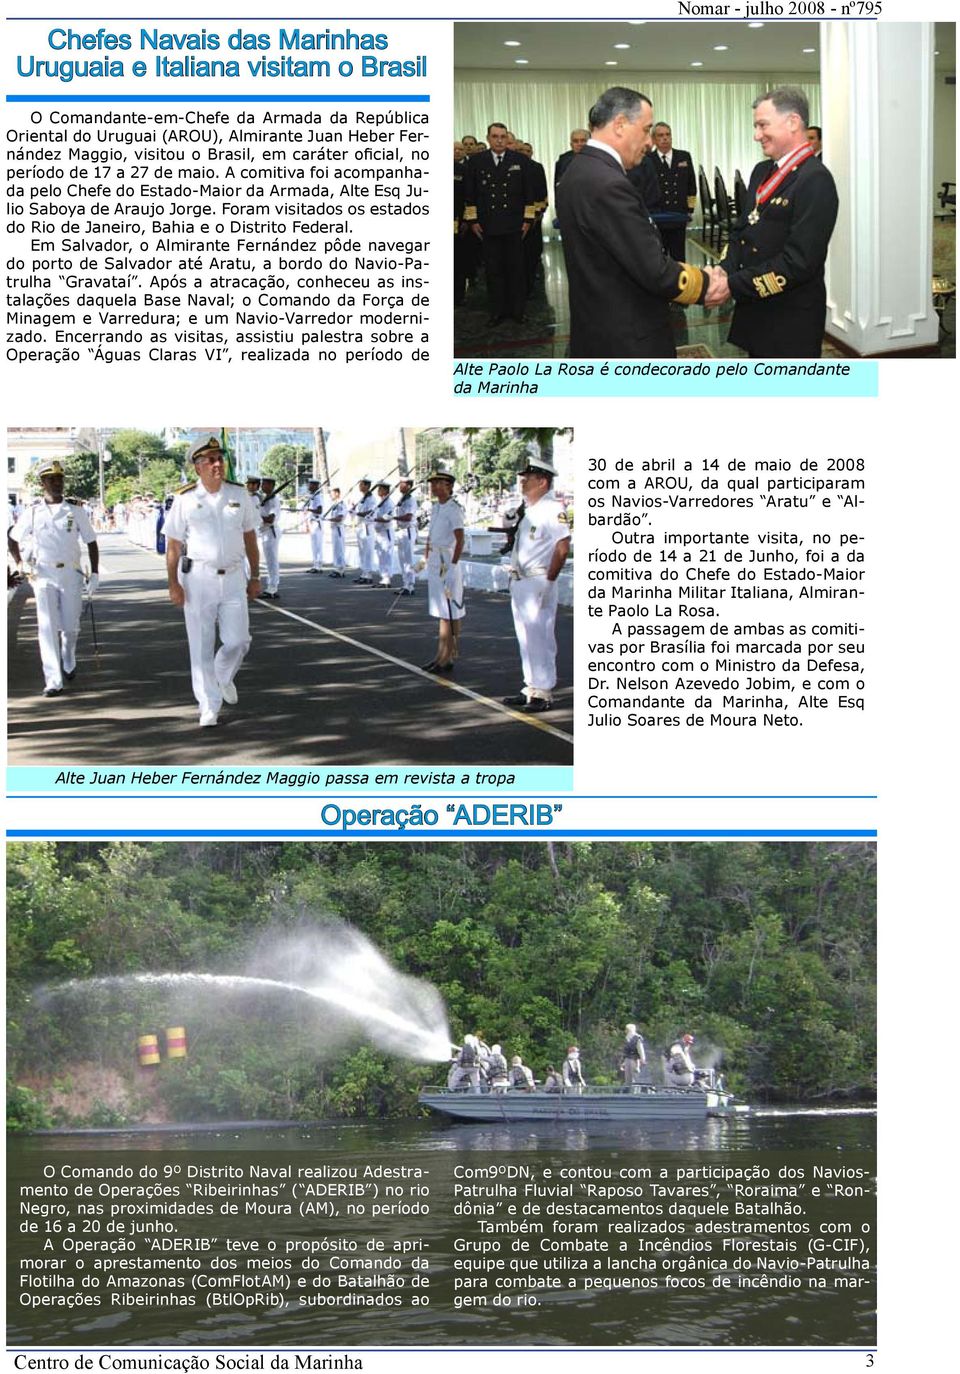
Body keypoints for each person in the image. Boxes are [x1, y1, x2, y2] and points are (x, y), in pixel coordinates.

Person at [556, 87, 711, 358]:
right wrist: (707, 284)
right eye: (646, 129)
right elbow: (653, 269)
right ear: (620, 125)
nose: (650, 141)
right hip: (627, 338)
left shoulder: (581, 170)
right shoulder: (609, 183)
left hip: (597, 325)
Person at [708, 87, 839, 358]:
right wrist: (724, 268)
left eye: (762, 125)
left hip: (789, 317)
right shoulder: (761, 171)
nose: (756, 135)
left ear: (792, 122)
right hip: (755, 307)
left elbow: (798, 263)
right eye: (756, 126)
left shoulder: (815, 179)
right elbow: (741, 231)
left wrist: (732, 285)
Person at [163, 435, 260, 727]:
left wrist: (255, 576)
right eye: (210, 460)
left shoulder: (239, 495)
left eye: (220, 459)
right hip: (198, 578)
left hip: (232, 577)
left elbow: (250, 538)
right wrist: (173, 583)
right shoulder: (185, 499)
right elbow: (173, 544)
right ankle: (208, 704)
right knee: (201, 644)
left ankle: (222, 674)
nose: (218, 464)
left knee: (239, 640)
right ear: (197, 467)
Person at [9, 460, 100, 697]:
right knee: (47, 627)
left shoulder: (75, 510)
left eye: (60, 479)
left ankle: (68, 655)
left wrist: (96, 573)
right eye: (51, 479)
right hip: (43, 574)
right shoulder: (32, 512)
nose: (57, 483)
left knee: (70, 628)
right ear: (43, 483)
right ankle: (53, 679)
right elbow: (13, 538)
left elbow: (91, 542)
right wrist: (20, 563)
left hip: (70, 573)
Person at [502, 455, 571, 714]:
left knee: (540, 636)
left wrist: (549, 580)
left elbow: (562, 548)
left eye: (527, 478)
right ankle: (531, 687)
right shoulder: (530, 510)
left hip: (538, 579)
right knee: (526, 637)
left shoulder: (553, 509)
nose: (522, 482)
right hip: (520, 579)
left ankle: (544, 691)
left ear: (542, 481)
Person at [462, 122, 537, 325]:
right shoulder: (476, 161)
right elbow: (470, 193)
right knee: (493, 271)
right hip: (488, 225)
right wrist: (473, 220)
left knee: (516, 270)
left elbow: (529, 193)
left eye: (503, 136)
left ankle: (518, 311)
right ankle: (497, 311)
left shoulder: (520, 160)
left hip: (514, 225)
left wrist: (528, 220)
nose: (499, 140)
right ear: (488, 138)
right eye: (495, 136)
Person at [422, 467, 464, 674]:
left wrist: (453, 566)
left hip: (446, 561)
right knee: (441, 611)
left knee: (448, 612)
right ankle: (441, 655)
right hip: (435, 560)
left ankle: (447, 656)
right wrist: (425, 555)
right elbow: (431, 534)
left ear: (448, 487)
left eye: (438, 483)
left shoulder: (453, 508)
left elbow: (460, 539)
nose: (434, 486)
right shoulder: (436, 508)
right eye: (432, 483)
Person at [644, 122, 697, 262]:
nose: (665, 138)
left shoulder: (683, 156)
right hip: (657, 215)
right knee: (659, 256)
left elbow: (692, 185)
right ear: (654, 139)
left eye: (668, 135)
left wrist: (690, 209)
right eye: (660, 135)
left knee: (679, 256)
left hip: (678, 214)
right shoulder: (647, 159)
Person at [393, 478, 419, 596]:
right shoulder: (402, 499)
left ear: (408, 486)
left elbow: (408, 517)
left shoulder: (411, 500)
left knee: (408, 560)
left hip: (408, 530)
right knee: (402, 560)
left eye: (402, 484)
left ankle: (410, 585)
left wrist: (393, 518)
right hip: (401, 531)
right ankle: (405, 584)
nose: (400, 485)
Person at [258, 476, 282, 599]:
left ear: (271, 485)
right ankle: (271, 586)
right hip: (265, 532)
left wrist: (257, 515)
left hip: (270, 532)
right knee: (269, 561)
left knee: (272, 561)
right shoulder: (266, 498)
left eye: (265, 484)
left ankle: (273, 588)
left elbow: (270, 519)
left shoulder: (274, 500)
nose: (262, 486)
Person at [352, 477, 377, 585]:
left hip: (367, 527)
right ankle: (364, 573)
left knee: (368, 552)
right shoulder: (363, 498)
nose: (360, 486)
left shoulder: (371, 498)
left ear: (367, 486)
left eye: (362, 484)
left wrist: (357, 513)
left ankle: (369, 575)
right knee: (362, 551)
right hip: (361, 526)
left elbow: (370, 512)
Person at [373, 480, 396, 588]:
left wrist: (374, 519)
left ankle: (387, 578)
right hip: (379, 533)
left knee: (387, 555)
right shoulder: (381, 502)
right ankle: (383, 578)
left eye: (380, 489)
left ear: (386, 490)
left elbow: (387, 518)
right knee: (380, 555)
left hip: (386, 532)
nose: (378, 491)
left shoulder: (389, 503)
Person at [554, 128, 589, 195]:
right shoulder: (563, 159)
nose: (579, 144)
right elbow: (557, 184)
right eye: (576, 141)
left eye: (583, 140)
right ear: (571, 144)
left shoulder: (597, 158)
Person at [326, 487, 347, 577]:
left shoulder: (341, 504)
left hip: (338, 528)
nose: (331, 495)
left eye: (332, 493)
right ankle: (336, 568)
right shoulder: (334, 504)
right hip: (334, 528)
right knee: (335, 549)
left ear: (337, 493)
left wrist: (329, 519)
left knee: (339, 549)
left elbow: (340, 517)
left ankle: (341, 569)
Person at [304, 479, 325, 572]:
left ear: (315, 486)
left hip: (317, 522)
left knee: (318, 545)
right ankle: (315, 565)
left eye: (310, 484)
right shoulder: (313, 496)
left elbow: (319, 510)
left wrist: (309, 509)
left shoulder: (318, 497)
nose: (308, 486)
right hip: (313, 522)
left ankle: (319, 565)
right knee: (313, 545)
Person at [622, 1023, 647, 1089]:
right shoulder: (627, 1038)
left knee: (635, 1077)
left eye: (627, 1029)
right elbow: (626, 1052)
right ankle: (628, 1093)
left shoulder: (637, 1038)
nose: (625, 1031)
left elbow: (640, 1050)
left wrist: (643, 1059)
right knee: (627, 1078)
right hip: (627, 1059)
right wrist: (623, 1062)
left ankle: (636, 1093)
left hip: (635, 1059)